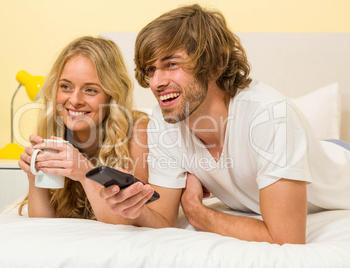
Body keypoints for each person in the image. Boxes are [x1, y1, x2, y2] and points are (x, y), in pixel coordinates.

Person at [100, 4, 350, 244]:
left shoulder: (270, 115)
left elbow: (286, 239)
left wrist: (197, 212)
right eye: (151, 69)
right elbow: (163, 219)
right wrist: (133, 209)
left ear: (215, 63)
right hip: (314, 150)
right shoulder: (164, 122)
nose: (156, 83)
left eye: (171, 64)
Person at [18, 36, 150, 223]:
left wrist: (85, 173)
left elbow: (126, 222)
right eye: (66, 87)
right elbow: (42, 223)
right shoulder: (55, 130)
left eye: (90, 90)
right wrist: (34, 177)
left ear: (111, 95)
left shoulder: (137, 132)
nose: (75, 100)